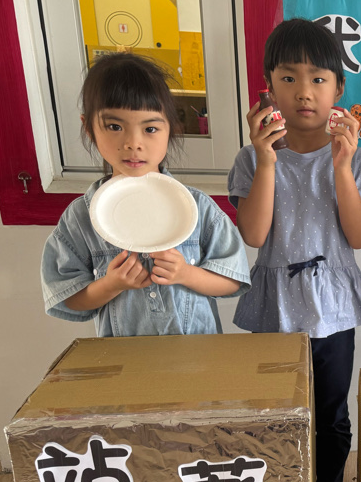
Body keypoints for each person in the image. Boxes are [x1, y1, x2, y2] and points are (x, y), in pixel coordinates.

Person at [228, 18, 361, 482]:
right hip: (275, 306)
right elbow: (254, 234)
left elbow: (359, 237)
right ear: (269, 88)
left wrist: (341, 166)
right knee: (275, 412)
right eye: (289, 78)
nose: (304, 92)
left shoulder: (357, 159)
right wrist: (266, 160)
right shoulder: (251, 158)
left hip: (332, 307)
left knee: (331, 414)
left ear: (339, 88)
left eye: (318, 79)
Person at [41, 53, 250, 337]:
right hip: (124, 359)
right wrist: (110, 285)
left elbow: (233, 280)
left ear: (171, 128)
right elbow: (67, 298)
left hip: (198, 355)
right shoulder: (81, 217)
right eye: (115, 127)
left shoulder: (196, 207)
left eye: (150, 128)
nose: (133, 143)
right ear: (89, 128)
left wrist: (186, 274)